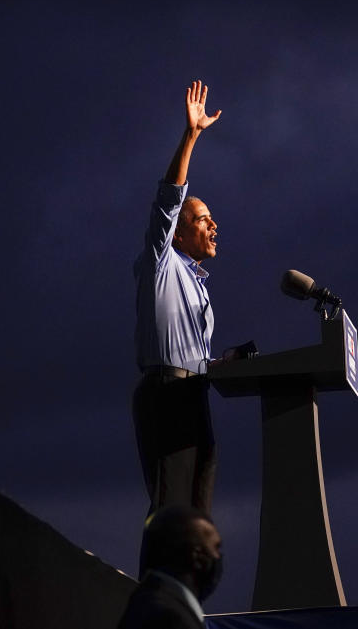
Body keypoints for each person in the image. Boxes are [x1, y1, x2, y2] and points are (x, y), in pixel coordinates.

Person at [133, 80, 222, 517]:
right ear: (179, 231)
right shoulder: (160, 263)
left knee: (198, 521)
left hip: (195, 397)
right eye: (204, 219)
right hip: (166, 396)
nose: (213, 225)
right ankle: (156, 586)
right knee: (170, 514)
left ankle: (187, 587)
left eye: (213, 220)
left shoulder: (198, 283)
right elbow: (169, 199)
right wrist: (191, 135)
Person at [117, 505, 223, 629]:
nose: (219, 557)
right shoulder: (172, 619)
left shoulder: (144, 603)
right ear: (197, 555)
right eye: (216, 547)